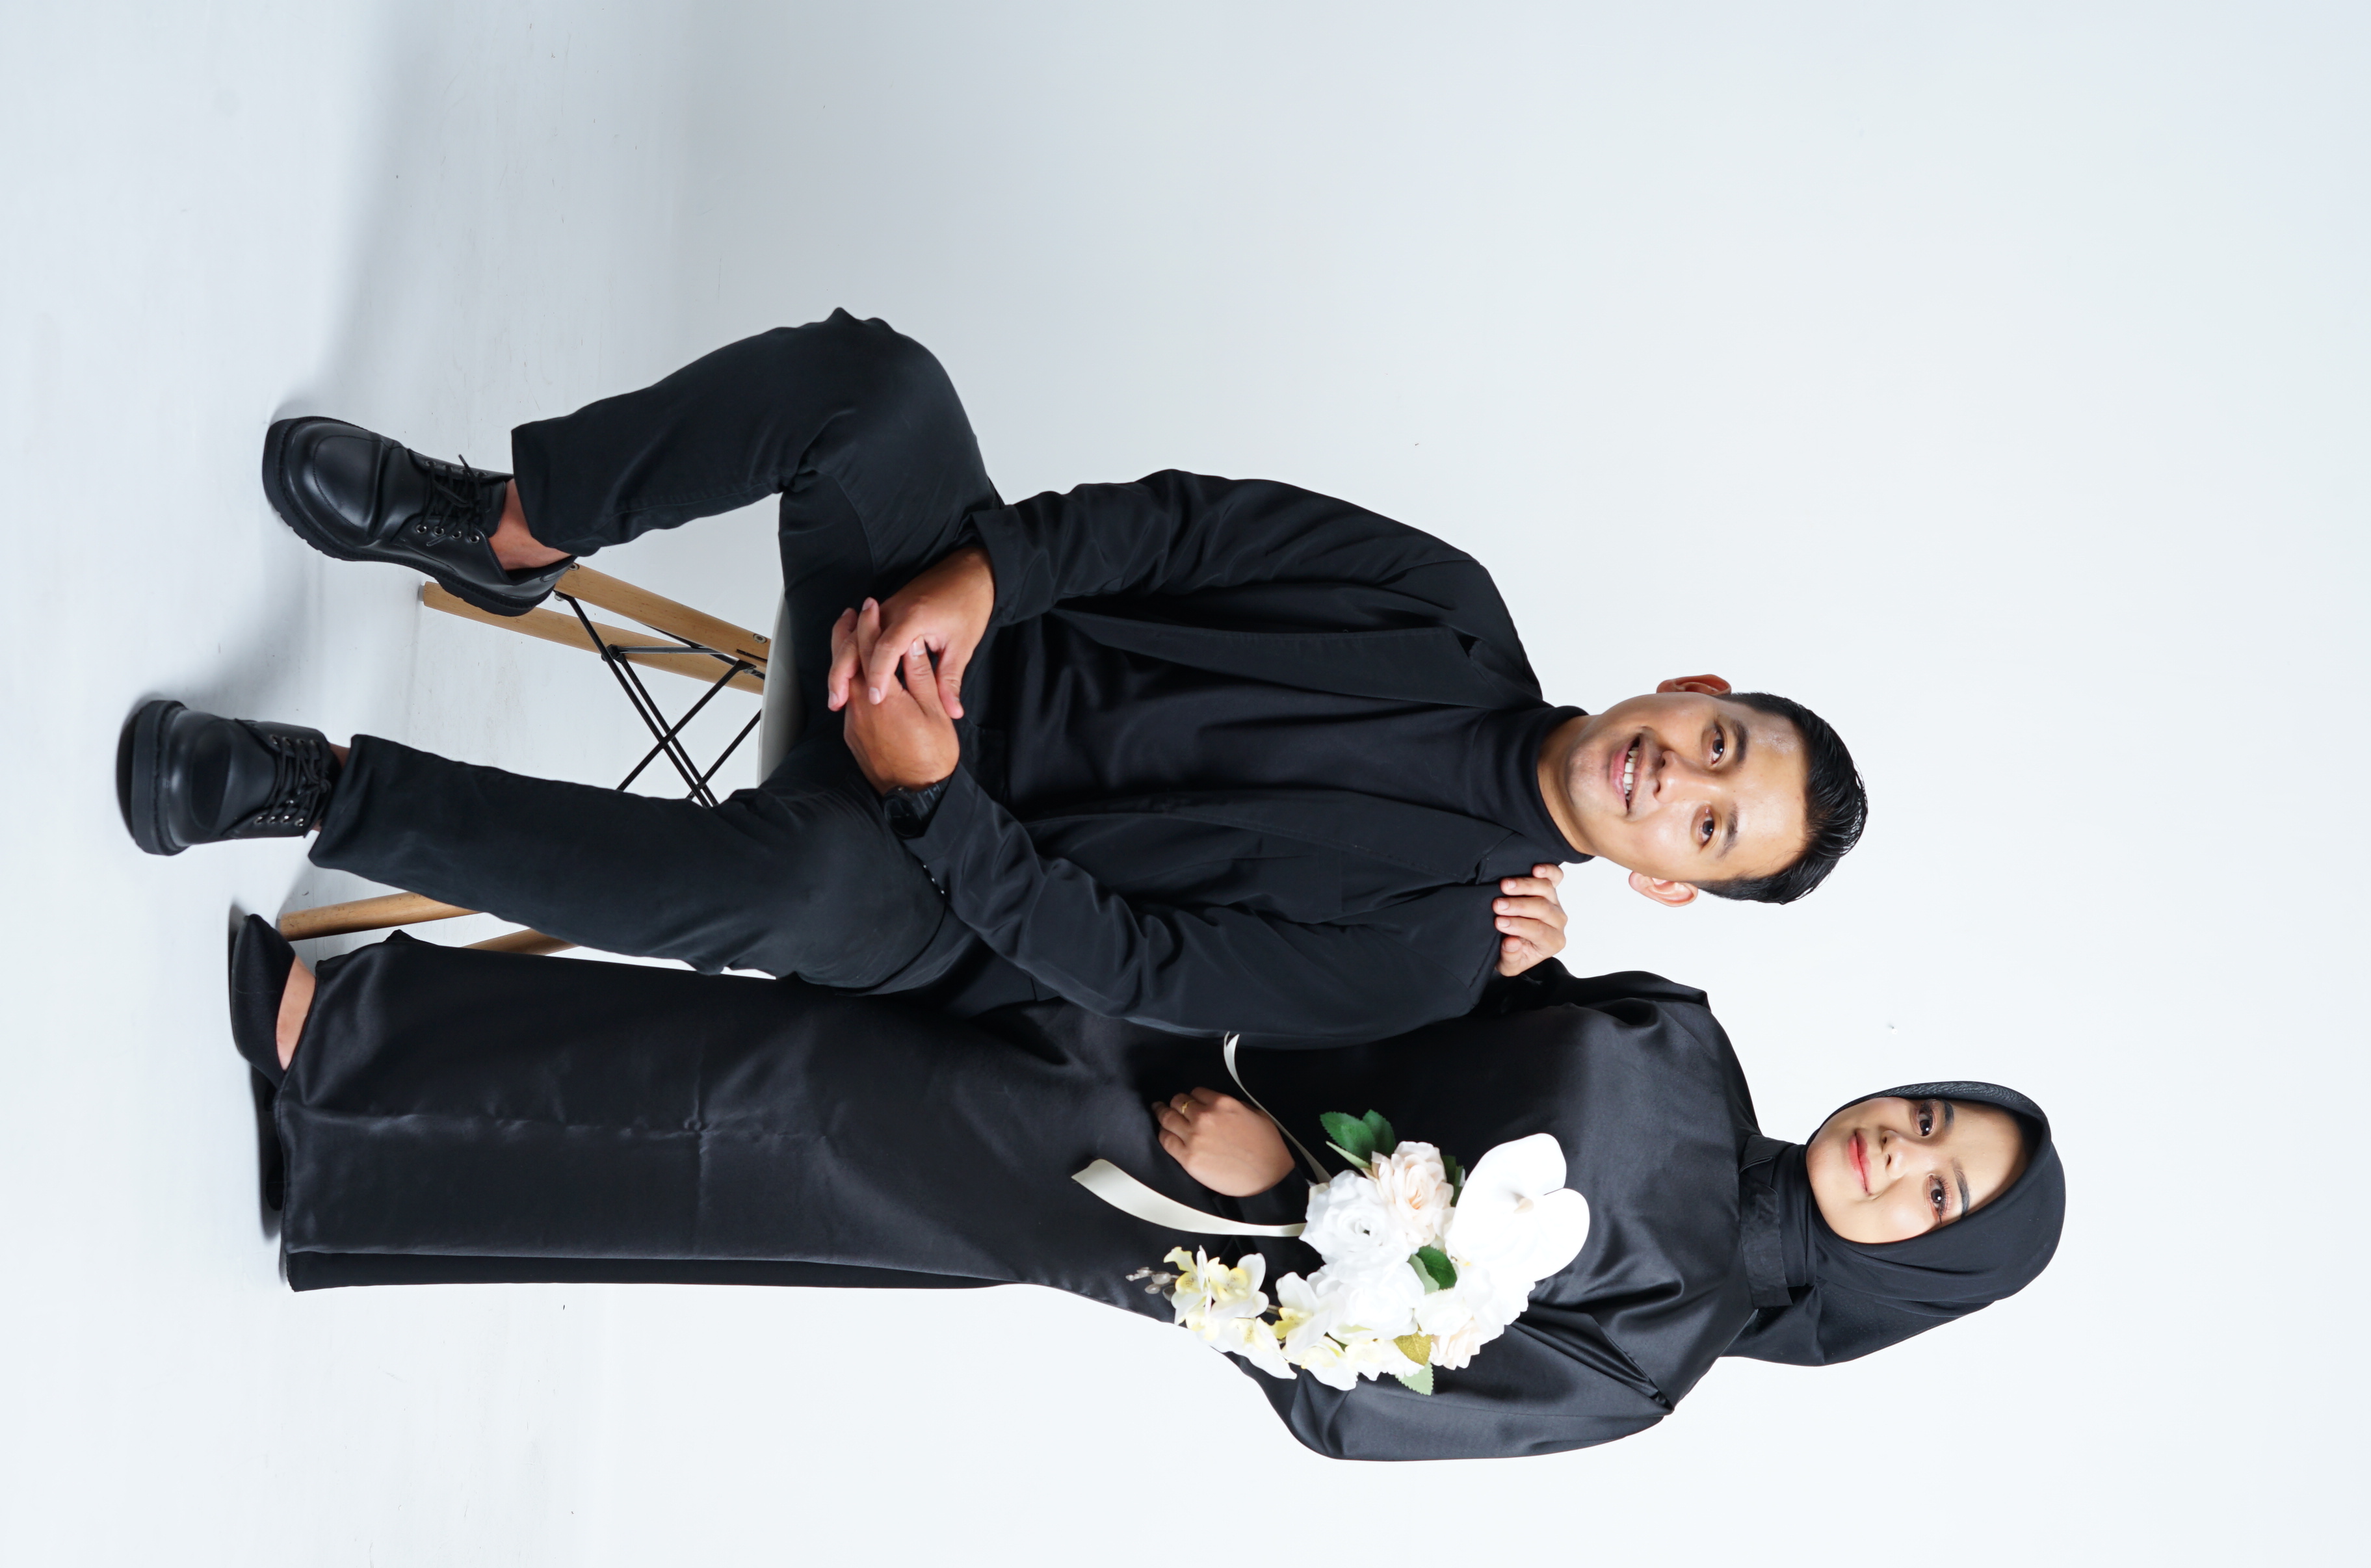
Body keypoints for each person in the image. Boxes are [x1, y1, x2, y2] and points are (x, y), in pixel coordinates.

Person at [120, 310, 1867, 1047]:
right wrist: (975, 579)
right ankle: (503, 526)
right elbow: (1179, 529)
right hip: (952, 631)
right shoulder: (1448, 605)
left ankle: (319, 790)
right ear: (1688, 681)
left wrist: (929, 793)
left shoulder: (1434, 955)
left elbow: (1134, 963)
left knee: (785, 885)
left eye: (1710, 824)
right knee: (878, 388)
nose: (1676, 776)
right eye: (1714, 742)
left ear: (1665, 884)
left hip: (955, 886)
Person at [239, 916, 2063, 1462]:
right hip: (1183, 1013)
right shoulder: (1689, 1039)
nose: (1896, 1155)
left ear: (1908, 1273)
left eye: (1931, 1200)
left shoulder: (1658, 1347)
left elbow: (1375, 1404)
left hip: (1172, 1191)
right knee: (812, 1086)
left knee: (804, 1109)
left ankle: (349, 1043)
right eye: (1926, 1123)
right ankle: (356, 1161)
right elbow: (1445, 1002)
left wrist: (1282, 1203)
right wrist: (1503, 944)